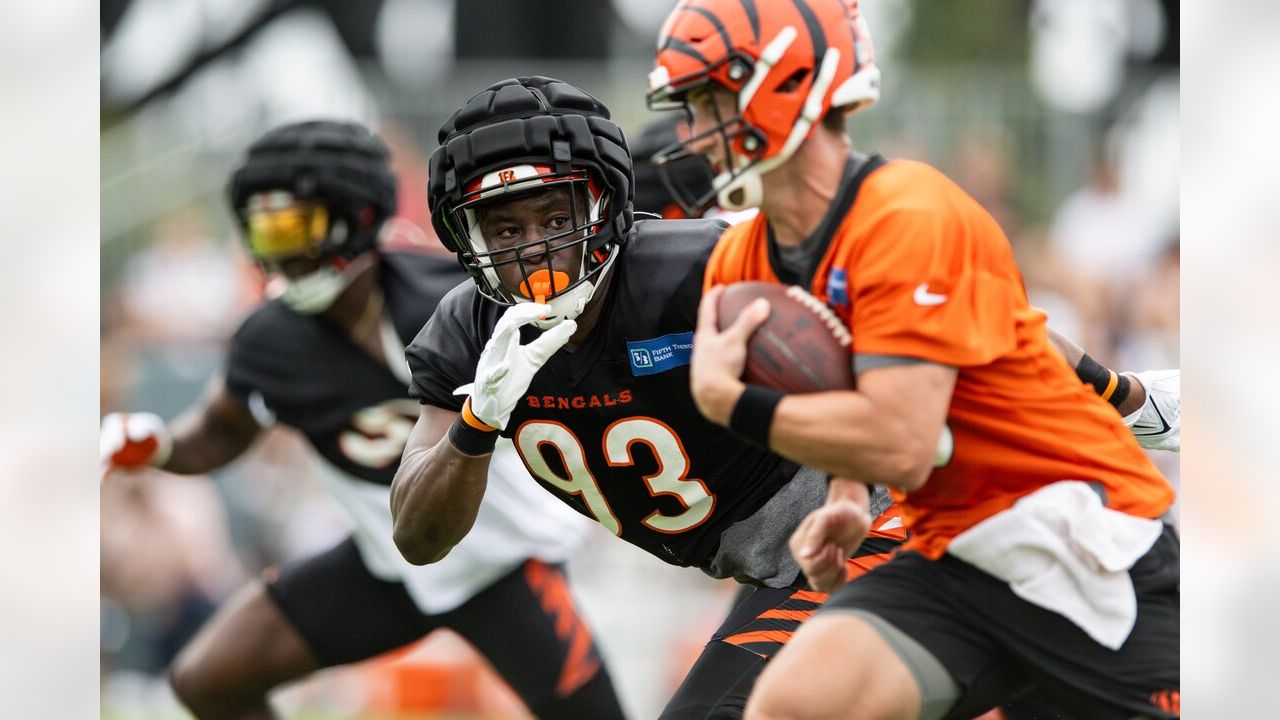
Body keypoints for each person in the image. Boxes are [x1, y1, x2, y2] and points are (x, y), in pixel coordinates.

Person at [647, 1, 1180, 718]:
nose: (695, 131)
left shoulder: (909, 213)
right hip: (950, 558)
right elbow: (843, 388)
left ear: (784, 86)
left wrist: (731, 403)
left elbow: (901, 438)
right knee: (794, 705)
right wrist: (842, 496)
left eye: (709, 100)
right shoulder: (742, 258)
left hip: (1086, 548)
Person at [391, 75, 906, 720]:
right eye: (506, 230)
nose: (538, 248)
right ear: (469, 239)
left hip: (878, 522)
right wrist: (476, 422)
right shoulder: (467, 332)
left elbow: (923, 310)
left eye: (556, 217)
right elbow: (417, 536)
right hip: (780, 565)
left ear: (603, 207)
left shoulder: (694, 267)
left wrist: (1074, 378)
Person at [100, 120, 625, 720]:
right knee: (207, 679)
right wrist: (160, 446)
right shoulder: (271, 340)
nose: (279, 253)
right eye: (264, 232)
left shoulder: (451, 297)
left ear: (358, 214)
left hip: (503, 560)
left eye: (294, 228)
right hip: (387, 566)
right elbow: (221, 431)